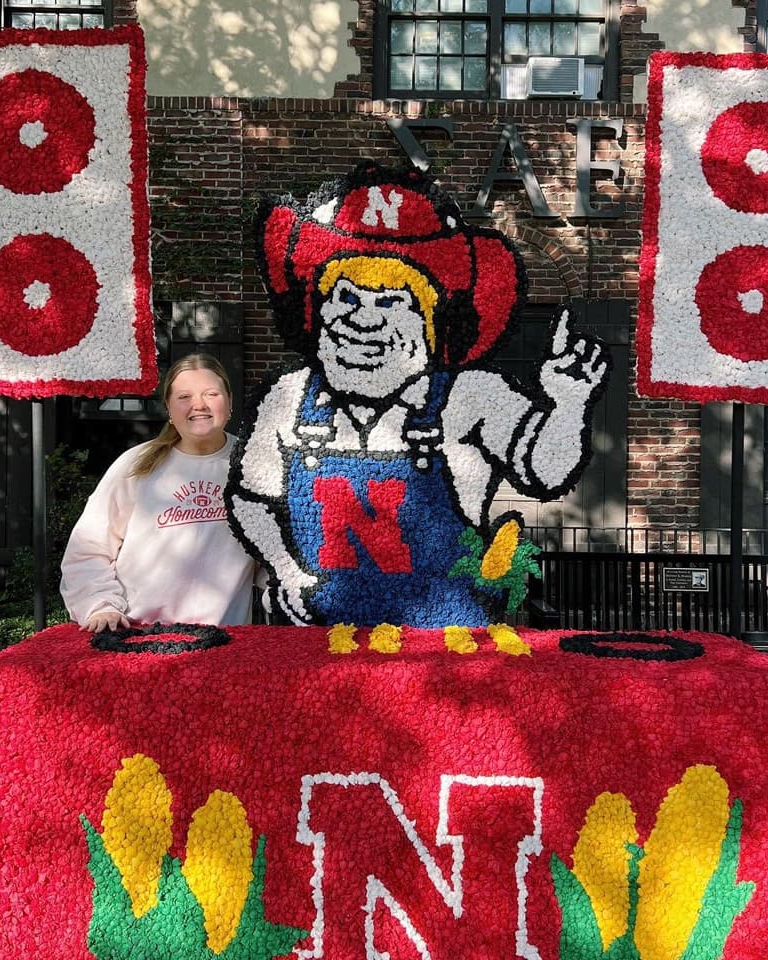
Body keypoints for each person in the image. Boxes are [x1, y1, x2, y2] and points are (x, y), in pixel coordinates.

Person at [227, 163, 610, 628]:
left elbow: (545, 472)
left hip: (443, 638)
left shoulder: (470, 395)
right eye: (348, 298)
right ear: (319, 310)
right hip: (316, 636)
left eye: (390, 303)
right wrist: (289, 573)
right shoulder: (289, 396)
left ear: (430, 323)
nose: (364, 319)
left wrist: (569, 404)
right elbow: (252, 498)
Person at [60, 354, 256, 631]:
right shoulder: (136, 465)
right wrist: (101, 605)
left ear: (230, 402)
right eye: (184, 396)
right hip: (139, 634)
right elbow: (88, 547)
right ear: (169, 408)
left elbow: (274, 559)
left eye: (211, 394)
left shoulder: (255, 467)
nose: (198, 405)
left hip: (224, 641)